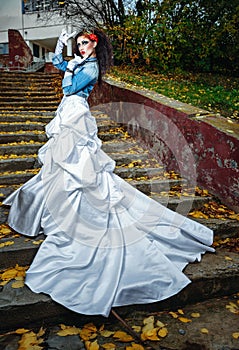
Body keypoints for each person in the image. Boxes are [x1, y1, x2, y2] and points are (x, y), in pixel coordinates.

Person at [3, 28, 215, 317]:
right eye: (78, 43)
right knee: (63, 164)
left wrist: (71, 65)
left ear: (95, 45)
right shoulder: (79, 61)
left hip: (77, 113)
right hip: (67, 113)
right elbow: (59, 63)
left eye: (84, 43)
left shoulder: (92, 67)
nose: (80, 47)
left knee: (82, 167)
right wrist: (62, 45)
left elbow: (68, 87)